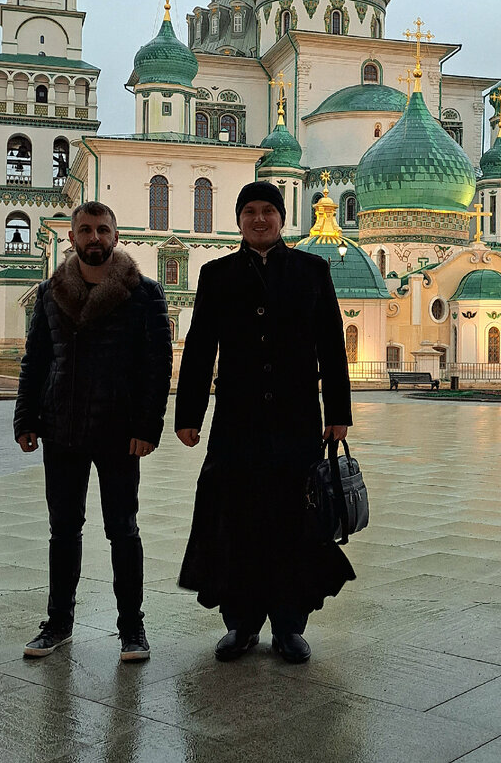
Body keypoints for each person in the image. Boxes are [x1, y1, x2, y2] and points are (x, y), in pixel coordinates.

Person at [175, 181, 353, 665]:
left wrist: (338, 413)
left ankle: (290, 627)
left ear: (281, 217)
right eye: (250, 211)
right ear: (239, 220)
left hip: (296, 422)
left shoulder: (312, 271)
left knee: (294, 521)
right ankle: (242, 624)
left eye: (268, 211)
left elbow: (332, 347)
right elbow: (199, 348)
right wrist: (189, 415)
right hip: (237, 422)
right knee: (236, 520)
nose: (259, 219)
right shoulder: (217, 275)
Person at [14, 202, 172, 662]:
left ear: (116, 237)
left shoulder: (144, 293)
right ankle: (58, 623)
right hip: (61, 427)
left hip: (120, 432)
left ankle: (132, 629)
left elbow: (157, 368)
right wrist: (25, 418)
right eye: (86, 230)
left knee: (123, 529)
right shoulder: (49, 293)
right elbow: (35, 361)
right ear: (72, 238)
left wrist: (147, 426)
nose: (95, 238)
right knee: (63, 530)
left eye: (103, 230)